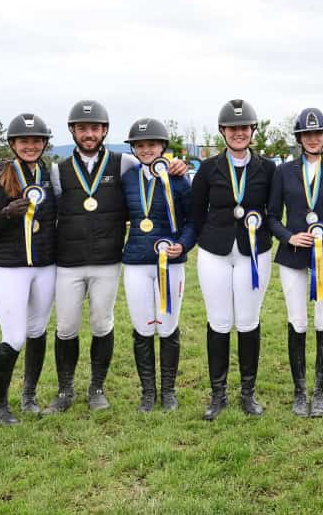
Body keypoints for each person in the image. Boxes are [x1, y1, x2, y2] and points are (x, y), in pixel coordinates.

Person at [45, 100, 187, 413]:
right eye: (82, 129)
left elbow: (156, 170)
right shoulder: (59, 170)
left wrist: (176, 164)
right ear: (73, 131)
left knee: (101, 322)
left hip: (108, 260)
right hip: (68, 261)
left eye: (94, 128)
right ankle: (65, 391)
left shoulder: (124, 163)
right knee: (66, 326)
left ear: (104, 130)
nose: (88, 134)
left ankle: (97, 388)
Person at [192, 99, 276, 420]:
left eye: (244, 127)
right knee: (219, 321)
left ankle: (248, 393)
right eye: (232, 128)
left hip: (254, 253)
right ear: (223, 131)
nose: (238, 133)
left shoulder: (267, 169)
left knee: (248, 321)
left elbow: (274, 210)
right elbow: (197, 214)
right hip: (215, 252)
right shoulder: (208, 168)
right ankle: (217, 394)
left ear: (252, 130)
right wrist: (210, 239)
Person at [0, 113, 57, 425]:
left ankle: (29, 395)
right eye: (24, 141)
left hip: (44, 265)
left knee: (37, 331)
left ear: (44, 144)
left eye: (36, 140)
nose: (30, 145)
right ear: (13, 144)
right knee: (14, 336)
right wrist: (8, 213)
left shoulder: (49, 176)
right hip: (11, 268)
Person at [268, 108, 323, 417]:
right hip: (293, 258)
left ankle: (321, 391)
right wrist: (288, 236)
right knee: (297, 321)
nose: (313, 139)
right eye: (307, 134)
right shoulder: (284, 172)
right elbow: (272, 216)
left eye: (318, 134)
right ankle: (300, 392)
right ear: (299, 139)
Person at [121, 118, 196, 412]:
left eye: (152, 144)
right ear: (134, 149)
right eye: (140, 145)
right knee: (142, 327)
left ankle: (169, 391)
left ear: (162, 146)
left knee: (167, 325)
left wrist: (185, 244)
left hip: (171, 261)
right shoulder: (128, 177)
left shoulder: (179, 178)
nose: (147, 149)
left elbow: (192, 220)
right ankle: (147, 392)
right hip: (138, 262)